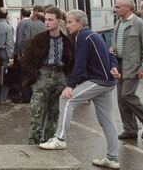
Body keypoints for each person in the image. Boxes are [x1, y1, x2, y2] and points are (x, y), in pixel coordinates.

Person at [39, 10, 121, 170]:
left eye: (70, 22)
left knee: (66, 98)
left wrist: (70, 85)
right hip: (107, 82)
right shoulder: (93, 35)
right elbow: (111, 54)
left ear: (80, 23)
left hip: (98, 81)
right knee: (107, 122)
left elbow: (80, 64)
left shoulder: (83, 37)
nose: (67, 25)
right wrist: (114, 68)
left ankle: (60, 139)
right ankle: (112, 158)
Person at [21, 6, 74, 145]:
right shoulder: (39, 39)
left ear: (58, 21)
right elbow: (26, 59)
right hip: (43, 74)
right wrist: (35, 74)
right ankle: (34, 140)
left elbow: (71, 60)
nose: (47, 22)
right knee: (37, 109)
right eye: (46, 19)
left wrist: (67, 77)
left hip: (60, 75)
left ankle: (51, 139)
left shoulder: (66, 41)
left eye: (50, 20)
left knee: (55, 110)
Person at [112, 0, 143, 141]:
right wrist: (113, 49)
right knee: (121, 99)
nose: (115, 9)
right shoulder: (118, 22)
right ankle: (130, 129)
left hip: (132, 67)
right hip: (119, 66)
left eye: (118, 6)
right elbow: (117, 42)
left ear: (127, 8)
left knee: (127, 95)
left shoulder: (139, 24)